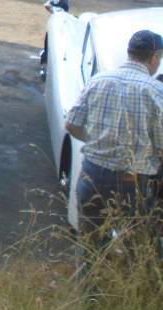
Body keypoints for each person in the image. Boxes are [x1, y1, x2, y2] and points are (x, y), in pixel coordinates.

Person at [65, 29, 163, 238]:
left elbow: (71, 124)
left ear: (130, 52)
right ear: (154, 57)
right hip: (133, 181)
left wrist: (99, 140)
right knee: (135, 246)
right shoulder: (155, 91)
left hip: (92, 175)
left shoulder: (98, 80)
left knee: (91, 243)